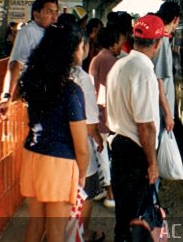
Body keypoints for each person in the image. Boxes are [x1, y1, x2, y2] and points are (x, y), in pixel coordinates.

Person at [18, 24, 89, 242]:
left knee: (35, 224)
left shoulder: (33, 81)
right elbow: (81, 147)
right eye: (80, 46)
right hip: (59, 165)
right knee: (56, 231)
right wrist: (82, 175)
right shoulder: (71, 91)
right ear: (69, 52)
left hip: (32, 157)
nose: (83, 50)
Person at [106, 14, 168, 242]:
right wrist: (152, 163)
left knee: (123, 216)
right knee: (137, 219)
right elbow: (146, 126)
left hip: (119, 145)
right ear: (158, 43)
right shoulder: (144, 72)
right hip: (135, 152)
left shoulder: (120, 64)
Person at [0, 0, 59, 114]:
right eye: (49, 12)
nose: (54, 17)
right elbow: (16, 65)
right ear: (36, 14)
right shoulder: (28, 32)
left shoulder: (49, 32)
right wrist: (7, 96)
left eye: (56, 12)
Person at [70, 35, 105, 242]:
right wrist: (99, 139)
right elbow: (90, 125)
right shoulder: (81, 78)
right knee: (87, 193)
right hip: (80, 146)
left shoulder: (47, 72)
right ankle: (81, 235)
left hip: (52, 153)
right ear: (80, 48)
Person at [88, 26, 126, 209]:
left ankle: (103, 189)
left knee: (100, 154)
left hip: (97, 114)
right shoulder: (110, 61)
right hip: (105, 116)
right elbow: (112, 91)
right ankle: (111, 194)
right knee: (105, 156)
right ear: (113, 44)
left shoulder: (97, 58)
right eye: (120, 43)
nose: (121, 47)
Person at [153, 2, 181, 136]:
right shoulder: (162, 42)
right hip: (160, 112)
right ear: (175, 19)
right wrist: (168, 113)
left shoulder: (160, 39)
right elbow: (159, 82)